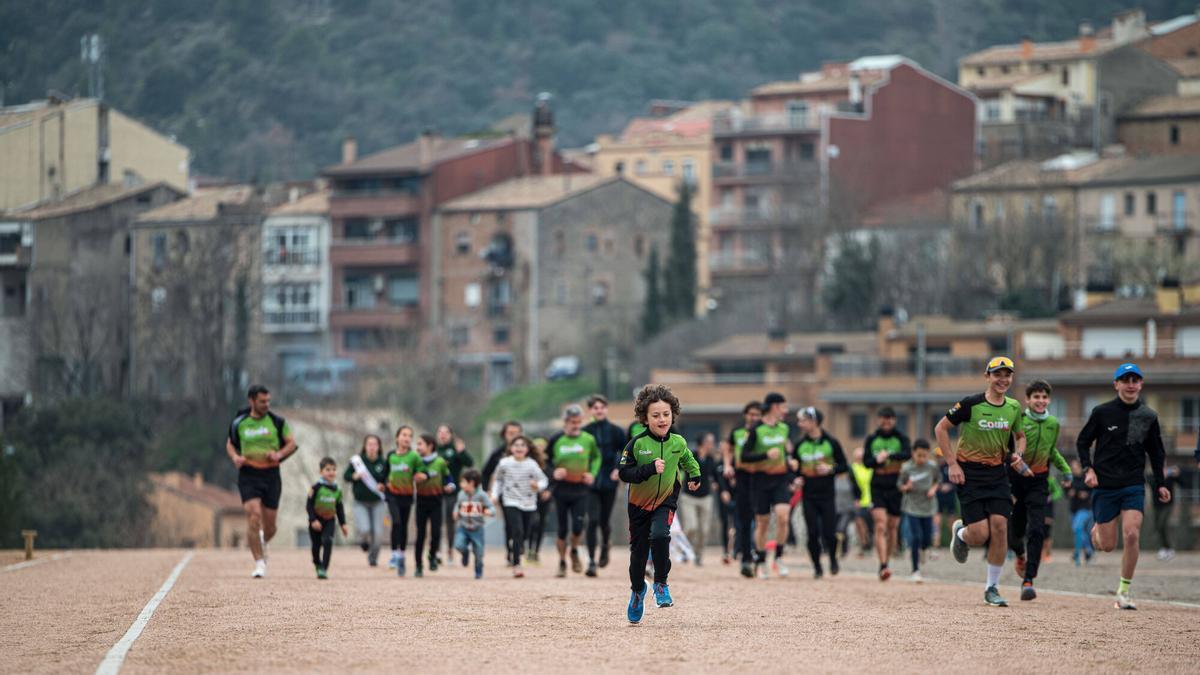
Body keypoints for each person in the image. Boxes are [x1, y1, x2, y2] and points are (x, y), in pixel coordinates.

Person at [938, 356, 1030, 607]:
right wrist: (952, 463)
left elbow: (1020, 436)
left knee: (1000, 527)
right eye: (998, 374)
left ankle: (992, 587)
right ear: (987, 376)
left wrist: (1018, 455)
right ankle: (962, 533)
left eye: (1007, 375)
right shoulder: (970, 404)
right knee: (979, 535)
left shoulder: (1012, 407)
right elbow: (940, 428)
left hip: (997, 474)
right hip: (969, 473)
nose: (1003, 379)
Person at [1077, 363, 1169, 610]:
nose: (1130, 384)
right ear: (1116, 384)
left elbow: (1157, 452)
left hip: (1133, 484)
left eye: (1135, 380)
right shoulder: (1102, 412)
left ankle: (1123, 591)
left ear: (1140, 384)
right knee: (1106, 546)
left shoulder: (1149, 416)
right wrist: (1088, 468)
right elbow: (1083, 442)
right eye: (1125, 380)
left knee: (1131, 534)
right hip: (1105, 485)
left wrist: (1160, 483)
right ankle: (1097, 529)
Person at [619, 384, 701, 624]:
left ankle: (661, 584)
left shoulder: (678, 442)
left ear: (673, 414)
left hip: (666, 501)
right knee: (638, 556)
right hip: (638, 505)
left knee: (662, 535)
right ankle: (637, 591)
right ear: (645, 418)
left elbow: (688, 460)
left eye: (666, 414)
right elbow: (624, 473)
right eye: (656, 415)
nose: (662, 419)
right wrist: (648, 469)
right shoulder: (636, 444)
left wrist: (695, 476)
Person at [1009, 379, 1073, 600]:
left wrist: (1066, 471)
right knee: (1015, 531)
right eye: (1036, 397)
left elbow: (1051, 451)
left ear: (1049, 400)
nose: (1040, 401)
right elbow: (1008, 448)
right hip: (1016, 480)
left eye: (1044, 397)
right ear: (1027, 399)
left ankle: (1028, 580)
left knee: (1037, 529)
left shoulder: (1053, 423)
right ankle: (1019, 554)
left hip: (1039, 480)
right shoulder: (1019, 420)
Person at [226, 384, 297, 579]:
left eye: (268, 401)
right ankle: (259, 563)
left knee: (271, 526)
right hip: (249, 474)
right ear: (251, 401)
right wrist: (235, 457)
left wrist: (279, 454)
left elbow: (291, 443)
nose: (266, 405)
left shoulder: (276, 422)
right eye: (262, 401)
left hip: (271, 475)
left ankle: (263, 540)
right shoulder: (239, 422)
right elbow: (230, 444)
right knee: (253, 515)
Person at [790, 407, 848, 579]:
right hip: (808, 495)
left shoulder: (831, 442)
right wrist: (795, 478)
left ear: (814, 421)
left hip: (827, 495)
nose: (800, 424)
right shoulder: (800, 445)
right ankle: (816, 566)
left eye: (803, 420)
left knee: (829, 532)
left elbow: (844, 465)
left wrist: (830, 469)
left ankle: (833, 559)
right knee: (812, 532)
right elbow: (793, 468)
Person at [739, 392, 793, 579]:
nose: (786, 411)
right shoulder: (756, 430)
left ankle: (778, 557)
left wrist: (791, 463)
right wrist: (764, 455)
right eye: (784, 407)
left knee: (783, 517)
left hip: (780, 480)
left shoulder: (784, 429)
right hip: (760, 481)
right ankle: (761, 561)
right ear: (775, 407)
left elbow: (786, 452)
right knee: (762, 523)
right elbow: (744, 456)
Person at [547, 405, 601, 578]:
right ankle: (562, 562)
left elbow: (596, 457)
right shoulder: (556, 439)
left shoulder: (588, 439)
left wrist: (592, 474)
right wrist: (553, 473)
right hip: (561, 489)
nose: (576, 425)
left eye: (578, 422)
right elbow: (546, 461)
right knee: (562, 529)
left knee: (578, 527)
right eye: (572, 422)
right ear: (565, 422)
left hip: (581, 489)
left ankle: (575, 550)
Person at [862, 406, 911, 581]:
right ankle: (882, 564)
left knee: (892, 527)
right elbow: (866, 462)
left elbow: (908, 454)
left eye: (890, 418)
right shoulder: (872, 439)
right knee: (880, 524)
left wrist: (890, 456)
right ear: (878, 420)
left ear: (894, 420)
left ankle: (887, 561)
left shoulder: (901, 438)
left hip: (895, 485)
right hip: (878, 485)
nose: (886, 421)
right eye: (883, 418)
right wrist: (877, 460)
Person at [490, 435, 549, 577]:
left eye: (522, 445)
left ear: (527, 449)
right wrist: (494, 495)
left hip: (529, 503)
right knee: (517, 531)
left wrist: (538, 486)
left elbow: (544, 480)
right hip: (510, 501)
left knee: (526, 533)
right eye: (516, 445)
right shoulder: (504, 463)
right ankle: (517, 564)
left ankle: (519, 545)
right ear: (511, 448)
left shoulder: (532, 464)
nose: (519, 448)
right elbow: (498, 481)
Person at [583, 394, 628, 575]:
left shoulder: (616, 431)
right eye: (595, 408)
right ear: (591, 411)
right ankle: (591, 562)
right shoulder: (586, 432)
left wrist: (619, 469)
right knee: (592, 520)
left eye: (602, 407)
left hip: (609, 481)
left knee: (604, 521)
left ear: (606, 409)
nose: (599, 410)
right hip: (591, 482)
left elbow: (626, 452)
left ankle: (605, 546)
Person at [721, 400, 762, 578]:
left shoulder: (764, 432)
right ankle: (746, 558)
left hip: (762, 477)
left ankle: (761, 556)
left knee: (761, 519)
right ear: (746, 415)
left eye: (757, 414)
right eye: (751, 414)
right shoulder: (737, 432)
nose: (754, 417)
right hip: (743, 477)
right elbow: (727, 449)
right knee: (745, 520)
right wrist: (727, 465)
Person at [413, 433, 456, 578]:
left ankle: (432, 557)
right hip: (420, 502)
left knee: (436, 533)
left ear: (430, 446)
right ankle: (418, 565)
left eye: (420, 444)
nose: (417, 447)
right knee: (420, 534)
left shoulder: (440, 462)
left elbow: (448, 477)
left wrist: (451, 485)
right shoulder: (415, 461)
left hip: (437, 501)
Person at [481, 421, 523, 566]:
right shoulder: (498, 453)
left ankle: (519, 544)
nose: (514, 436)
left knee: (526, 523)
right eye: (510, 433)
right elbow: (485, 473)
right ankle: (510, 552)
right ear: (504, 435)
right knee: (510, 523)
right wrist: (488, 490)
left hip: (525, 494)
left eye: (517, 433)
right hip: (506, 494)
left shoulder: (527, 452)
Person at [344, 434, 388, 567]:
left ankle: (373, 557)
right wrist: (354, 476)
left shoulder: (383, 462)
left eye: (375, 444)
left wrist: (383, 485)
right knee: (364, 529)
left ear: (379, 446)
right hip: (360, 502)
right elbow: (346, 476)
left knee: (378, 533)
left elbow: (387, 479)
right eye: (369, 444)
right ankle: (363, 541)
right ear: (365, 446)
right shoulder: (357, 462)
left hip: (377, 502)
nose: (372, 447)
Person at [898, 440, 938, 582]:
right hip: (912, 506)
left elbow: (937, 480)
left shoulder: (932, 467)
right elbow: (900, 485)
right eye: (919, 455)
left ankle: (924, 549)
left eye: (924, 456)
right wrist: (906, 487)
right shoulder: (906, 468)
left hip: (927, 506)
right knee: (916, 537)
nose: (921, 459)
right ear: (913, 454)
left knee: (926, 538)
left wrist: (933, 489)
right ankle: (915, 570)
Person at [384, 426, 420, 575]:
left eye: (409, 436)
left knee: (403, 525)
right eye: (404, 435)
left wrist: (421, 475)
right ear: (397, 438)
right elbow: (385, 473)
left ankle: (402, 555)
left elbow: (421, 470)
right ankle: (393, 554)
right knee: (396, 522)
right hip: (392, 494)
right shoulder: (391, 455)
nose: (406, 438)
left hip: (407, 495)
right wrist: (382, 482)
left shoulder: (414, 456)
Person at [679, 432, 719, 565]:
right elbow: (679, 468)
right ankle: (685, 550)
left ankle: (698, 555)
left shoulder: (710, 459)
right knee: (691, 526)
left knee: (704, 530)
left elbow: (715, 475)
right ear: (702, 443)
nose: (712, 445)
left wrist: (717, 484)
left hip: (706, 497)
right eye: (710, 442)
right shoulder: (691, 455)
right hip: (689, 497)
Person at [436, 424, 474, 564]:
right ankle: (437, 551)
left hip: (453, 492)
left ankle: (450, 551)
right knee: (436, 522)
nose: (443, 434)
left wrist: (462, 451)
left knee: (450, 521)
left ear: (451, 435)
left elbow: (470, 463)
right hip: (435, 491)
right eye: (440, 432)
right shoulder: (433, 449)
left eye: (446, 432)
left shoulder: (455, 449)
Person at [307, 457, 349, 579]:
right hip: (316, 520)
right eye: (328, 469)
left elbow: (339, 508)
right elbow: (309, 505)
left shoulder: (337, 490)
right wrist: (313, 520)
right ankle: (317, 563)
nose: (331, 472)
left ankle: (324, 569)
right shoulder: (316, 488)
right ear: (321, 472)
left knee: (327, 541)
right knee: (316, 545)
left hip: (329, 520)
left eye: (334, 469)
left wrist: (343, 524)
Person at [453, 469, 495, 579]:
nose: (460, 484)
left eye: (463, 482)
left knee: (479, 552)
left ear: (471, 483)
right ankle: (465, 553)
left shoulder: (482, 495)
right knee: (458, 545)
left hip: (477, 529)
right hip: (463, 527)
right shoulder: (461, 494)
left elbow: (491, 507)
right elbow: (457, 505)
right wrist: (455, 512)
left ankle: (478, 570)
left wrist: (489, 511)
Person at [1067, 459, 1094, 566]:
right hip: (1073, 509)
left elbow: (1092, 491)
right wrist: (1070, 493)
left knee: (1078, 528)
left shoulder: (1086, 478)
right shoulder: (1070, 479)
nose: (1074, 470)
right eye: (1072, 468)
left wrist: (1086, 494)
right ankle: (1084, 552)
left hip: (1085, 509)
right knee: (1078, 532)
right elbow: (1066, 491)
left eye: (1075, 467)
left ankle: (1083, 552)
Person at [528, 437, 551, 563]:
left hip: (545, 498)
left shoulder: (550, 462)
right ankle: (529, 548)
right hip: (531, 497)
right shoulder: (530, 462)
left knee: (542, 524)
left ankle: (536, 551)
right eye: (538, 446)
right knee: (533, 523)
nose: (540, 448)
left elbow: (553, 479)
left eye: (543, 446)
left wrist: (549, 491)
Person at [1153, 464, 1181, 561]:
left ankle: (1169, 548)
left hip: (1168, 505)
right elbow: (1150, 483)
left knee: (1163, 524)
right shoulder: (1153, 474)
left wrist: (1177, 474)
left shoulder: (1170, 476)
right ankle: (1163, 548)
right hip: (1156, 505)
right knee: (1158, 526)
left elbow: (1183, 482)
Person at [849, 447, 873, 558]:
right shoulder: (852, 469)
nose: (860, 459)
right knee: (859, 522)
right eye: (858, 458)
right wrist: (855, 498)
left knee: (874, 524)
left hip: (873, 500)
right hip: (860, 501)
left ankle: (871, 543)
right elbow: (852, 485)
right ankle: (864, 545)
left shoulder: (871, 467)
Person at [933, 451, 957, 553]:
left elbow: (957, 481)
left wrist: (950, 486)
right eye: (937, 457)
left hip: (950, 497)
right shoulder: (935, 469)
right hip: (938, 497)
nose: (939, 459)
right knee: (936, 520)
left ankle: (955, 543)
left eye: (940, 456)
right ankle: (936, 543)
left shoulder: (951, 467)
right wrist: (939, 487)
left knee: (951, 521)